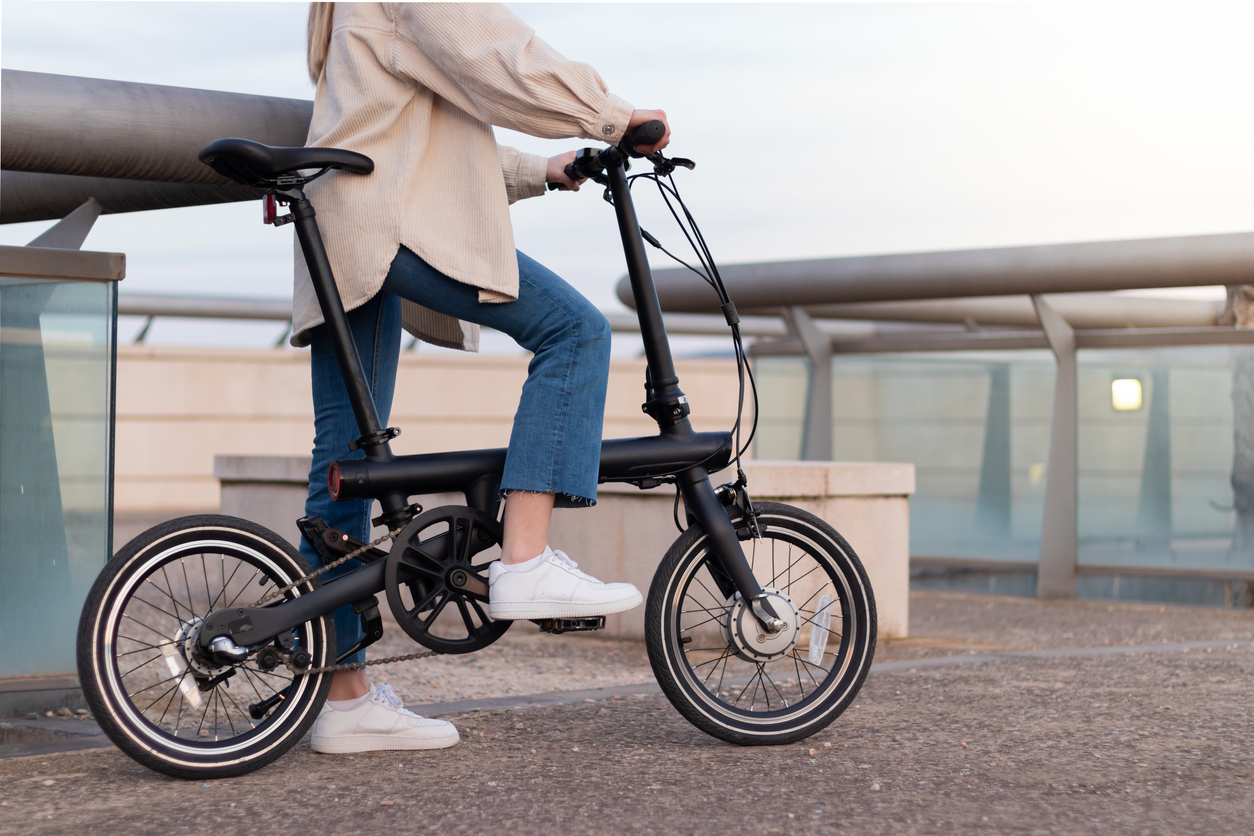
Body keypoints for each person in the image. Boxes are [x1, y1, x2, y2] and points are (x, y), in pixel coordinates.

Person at [292, 3, 670, 754]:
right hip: (390, 225)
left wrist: (544, 169)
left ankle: (344, 701)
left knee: (345, 466)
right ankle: (524, 560)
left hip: (350, 225)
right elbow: (499, 56)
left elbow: (425, 135)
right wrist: (614, 115)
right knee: (576, 331)